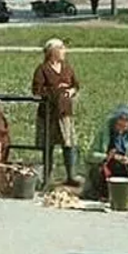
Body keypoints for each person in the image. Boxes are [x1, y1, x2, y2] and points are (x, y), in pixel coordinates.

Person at [32, 39, 81, 186]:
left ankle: (71, 176)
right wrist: (57, 90)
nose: (64, 51)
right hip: (48, 114)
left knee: (68, 144)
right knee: (49, 145)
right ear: (52, 52)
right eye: (61, 48)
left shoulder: (67, 68)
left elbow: (75, 85)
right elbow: (37, 90)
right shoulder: (42, 69)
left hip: (65, 112)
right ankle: (47, 178)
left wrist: (71, 91)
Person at [83, 106, 128, 201]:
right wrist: (107, 156)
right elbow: (90, 155)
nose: (123, 124)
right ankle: (99, 194)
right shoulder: (104, 134)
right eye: (120, 121)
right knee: (97, 171)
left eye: (126, 122)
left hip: (122, 169)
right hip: (105, 167)